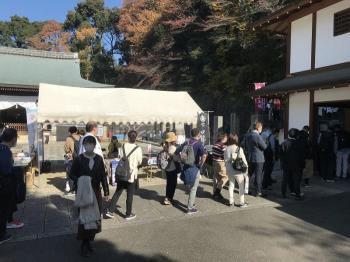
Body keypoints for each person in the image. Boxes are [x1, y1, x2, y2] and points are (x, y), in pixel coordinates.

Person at [69, 136, 109, 257]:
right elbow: (72, 174)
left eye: (91, 143)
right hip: (83, 192)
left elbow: (103, 176)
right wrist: (81, 180)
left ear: (94, 144)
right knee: (85, 218)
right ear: (83, 145)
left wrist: (106, 192)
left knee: (95, 218)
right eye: (86, 143)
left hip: (96, 191)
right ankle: (84, 244)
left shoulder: (98, 159)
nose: (89, 145)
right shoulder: (79, 159)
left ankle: (89, 241)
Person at [106, 131, 143, 220]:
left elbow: (120, 157)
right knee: (129, 195)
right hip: (131, 175)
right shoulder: (138, 148)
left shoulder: (122, 146)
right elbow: (140, 161)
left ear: (128, 137)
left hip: (122, 173)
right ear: (136, 137)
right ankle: (128, 214)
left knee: (118, 192)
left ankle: (110, 211)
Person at [176, 128, 207, 214]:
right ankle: (190, 208)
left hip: (185, 167)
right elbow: (204, 156)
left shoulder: (186, 142)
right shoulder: (199, 144)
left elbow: (177, 151)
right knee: (194, 188)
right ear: (198, 135)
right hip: (194, 167)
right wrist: (201, 165)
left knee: (190, 186)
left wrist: (182, 160)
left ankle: (191, 203)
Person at [0, 128, 18, 245]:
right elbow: (6, 170)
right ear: (13, 139)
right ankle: (2, 235)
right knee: (3, 210)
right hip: (4, 186)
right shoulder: (5, 151)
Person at [225, 133, 249, 207]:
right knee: (241, 186)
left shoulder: (226, 149)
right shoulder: (239, 148)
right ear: (236, 139)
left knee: (231, 185)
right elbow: (244, 160)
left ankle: (231, 201)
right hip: (238, 170)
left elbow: (225, 160)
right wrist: (247, 168)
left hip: (229, 170)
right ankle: (242, 202)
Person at [280, 128, 304, 200]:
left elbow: (280, 154)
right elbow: (301, 155)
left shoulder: (284, 143)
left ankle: (283, 194)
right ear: (296, 135)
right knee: (296, 179)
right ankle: (297, 194)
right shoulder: (299, 143)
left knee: (285, 179)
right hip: (296, 164)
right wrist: (302, 164)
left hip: (286, 164)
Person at [246, 122, 267, 197]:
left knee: (249, 174)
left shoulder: (248, 135)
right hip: (259, 158)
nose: (261, 129)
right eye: (261, 128)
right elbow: (264, 147)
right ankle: (258, 191)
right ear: (258, 128)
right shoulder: (257, 136)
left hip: (250, 157)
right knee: (258, 175)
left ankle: (246, 189)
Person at [160, 132, 181, 205]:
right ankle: (169, 199)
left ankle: (167, 197)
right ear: (173, 141)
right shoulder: (173, 148)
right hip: (173, 168)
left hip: (167, 168)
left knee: (169, 184)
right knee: (173, 184)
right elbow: (177, 158)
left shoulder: (165, 146)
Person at [64, 126, 81, 193]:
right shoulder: (81, 137)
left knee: (69, 172)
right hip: (80, 158)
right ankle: (76, 188)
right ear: (76, 131)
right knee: (78, 173)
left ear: (69, 132)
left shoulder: (68, 138)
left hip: (71, 158)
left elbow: (66, 149)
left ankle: (68, 186)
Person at [212, 133, 228, 200]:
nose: (227, 138)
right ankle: (217, 192)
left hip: (214, 162)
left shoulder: (215, 144)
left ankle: (215, 193)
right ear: (223, 138)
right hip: (221, 163)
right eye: (226, 137)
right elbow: (225, 155)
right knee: (225, 177)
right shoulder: (223, 146)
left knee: (217, 178)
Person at [261, 125, 277, 190]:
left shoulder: (262, 133)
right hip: (268, 153)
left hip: (263, 152)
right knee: (268, 169)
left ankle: (266, 181)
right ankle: (265, 184)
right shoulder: (271, 135)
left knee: (263, 169)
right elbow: (272, 147)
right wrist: (274, 155)